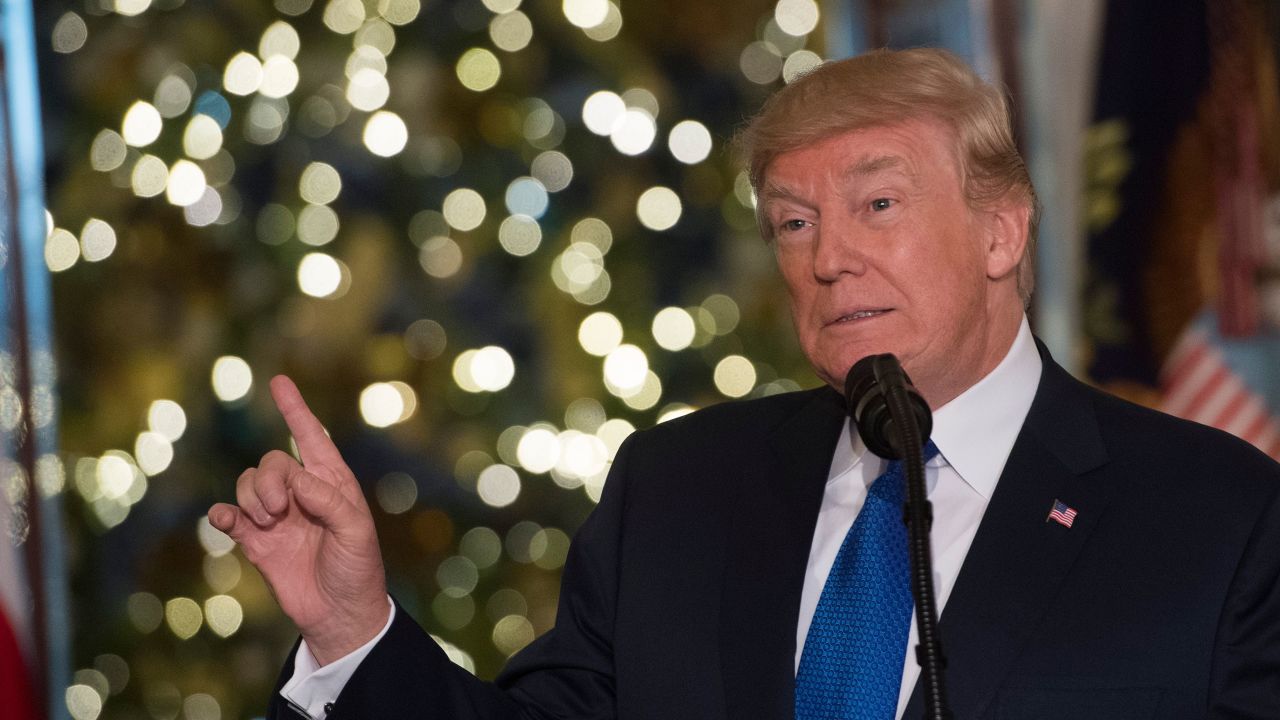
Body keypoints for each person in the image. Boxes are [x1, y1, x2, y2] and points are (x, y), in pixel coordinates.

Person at [208, 48, 1280, 719]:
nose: (827, 259)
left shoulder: (1214, 517)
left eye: (876, 206)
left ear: (1000, 229)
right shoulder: (678, 489)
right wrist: (352, 631)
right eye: (793, 223)